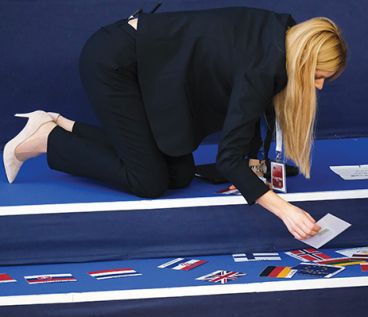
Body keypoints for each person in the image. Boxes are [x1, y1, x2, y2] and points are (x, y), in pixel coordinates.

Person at [3, 7, 347, 241]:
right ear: (303, 58)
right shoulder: (263, 63)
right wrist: (284, 210)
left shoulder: (283, 34)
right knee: (149, 181)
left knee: (179, 174)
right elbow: (230, 155)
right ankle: (48, 138)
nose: (318, 87)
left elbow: (257, 111)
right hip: (115, 62)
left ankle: (66, 127)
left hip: (150, 68)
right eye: (318, 77)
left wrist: (252, 169)